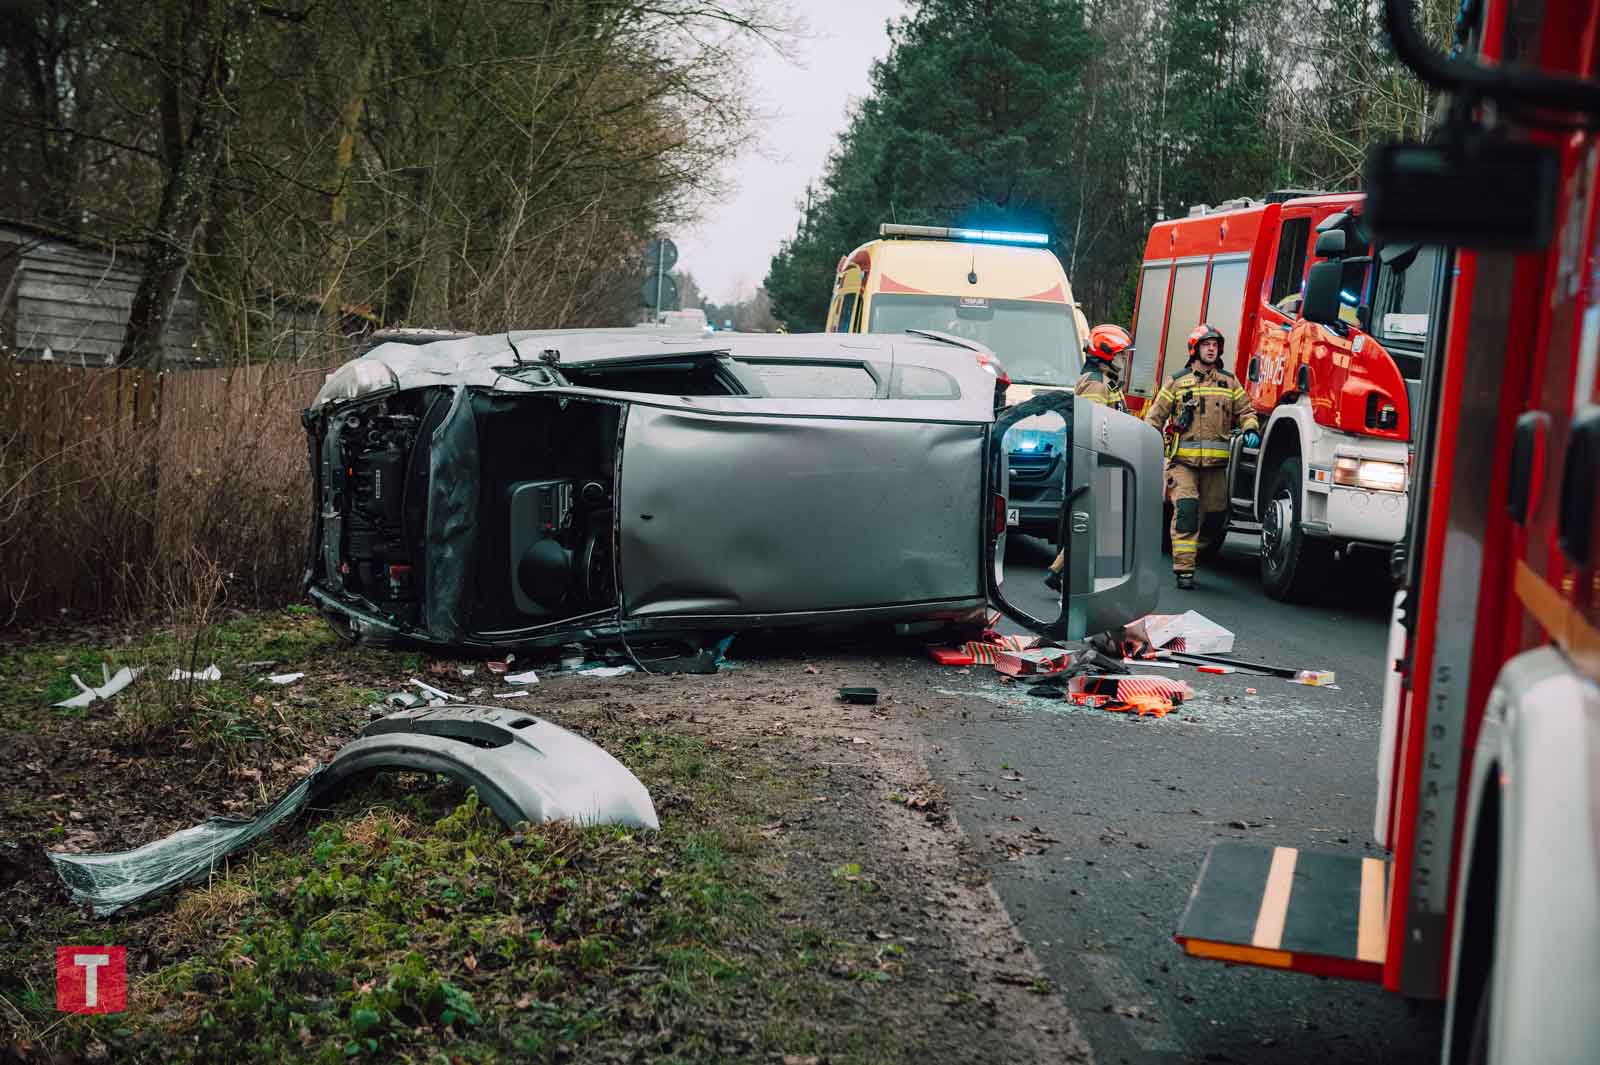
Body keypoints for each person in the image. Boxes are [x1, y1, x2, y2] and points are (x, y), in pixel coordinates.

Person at [1141, 324, 1259, 589]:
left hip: (1216, 468)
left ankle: (1194, 551)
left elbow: (1247, 411)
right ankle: (1184, 570)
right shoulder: (1178, 381)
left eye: (1215, 345)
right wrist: (1150, 445)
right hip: (1183, 464)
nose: (1211, 349)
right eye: (1206, 345)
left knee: (1216, 516)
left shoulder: (1229, 382)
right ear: (1194, 349)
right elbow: (1154, 419)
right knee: (1187, 511)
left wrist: (1251, 428)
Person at [1045, 324, 1131, 592]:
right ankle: (1070, 576)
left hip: (1105, 461)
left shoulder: (1105, 381)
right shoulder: (1096, 384)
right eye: (1120, 354)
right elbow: (1094, 427)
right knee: (1098, 524)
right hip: (1098, 463)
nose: (1124, 359)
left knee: (1098, 523)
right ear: (1106, 354)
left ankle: (1061, 573)